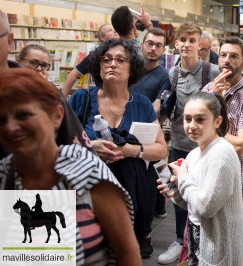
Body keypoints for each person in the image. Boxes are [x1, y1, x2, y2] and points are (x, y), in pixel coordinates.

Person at [0, 68, 142, 265]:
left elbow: (127, 254)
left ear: (57, 116)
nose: (10, 127)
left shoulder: (86, 171)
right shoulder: (4, 175)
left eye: (23, 115)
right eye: (1, 119)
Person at [68, 38, 167, 255]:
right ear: (98, 66)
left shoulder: (141, 104)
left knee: (123, 251)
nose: (112, 64)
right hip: (87, 190)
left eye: (121, 60)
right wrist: (90, 145)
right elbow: (60, 145)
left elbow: (161, 149)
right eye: (107, 59)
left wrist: (132, 150)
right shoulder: (81, 99)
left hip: (129, 194)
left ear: (132, 68)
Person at [159, 91, 243, 266]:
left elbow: (206, 208)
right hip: (197, 237)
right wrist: (176, 191)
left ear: (217, 121)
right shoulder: (193, 154)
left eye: (200, 119)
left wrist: (183, 177)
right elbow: (193, 204)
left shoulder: (222, 153)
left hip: (218, 248)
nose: (192, 125)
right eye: (187, 119)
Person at [158, 21, 220, 265]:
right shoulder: (172, 73)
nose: (187, 44)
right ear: (177, 43)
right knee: (179, 192)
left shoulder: (211, 71)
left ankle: (204, 241)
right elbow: (167, 107)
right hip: (180, 143)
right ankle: (179, 240)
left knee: (204, 195)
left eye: (192, 40)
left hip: (206, 147)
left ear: (199, 44)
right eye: (183, 40)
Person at [0, 11, 94, 159]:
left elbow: (83, 155)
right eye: (33, 63)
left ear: (9, 41)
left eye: (44, 65)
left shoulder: (48, 94)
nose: (38, 69)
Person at [202, 36, 243, 211]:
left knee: (227, 237)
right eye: (223, 55)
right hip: (204, 175)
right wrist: (214, 98)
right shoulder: (208, 90)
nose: (227, 60)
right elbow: (194, 134)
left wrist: (207, 130)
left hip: (233, 183)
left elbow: (240, 146)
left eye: (234, 56)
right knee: (195, 234)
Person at [129, 27, 171, 258]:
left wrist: (132, 118)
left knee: (148, 189)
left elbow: (157, 107)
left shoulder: (163, 76)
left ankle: (144, 236)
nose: (153, 48)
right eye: (150, 43)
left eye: (158, 45)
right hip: (123, 138)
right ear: (142, 44)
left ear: (163, 50)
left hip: (147, 138)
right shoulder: (130, 70)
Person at [61, 23, 119, 96]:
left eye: (114, 29)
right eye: (110, 30)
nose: (115, 31)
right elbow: (73, 74)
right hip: (103, 98)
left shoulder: (126, 51)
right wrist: (62, 100)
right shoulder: (95, 55)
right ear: (102, 38)